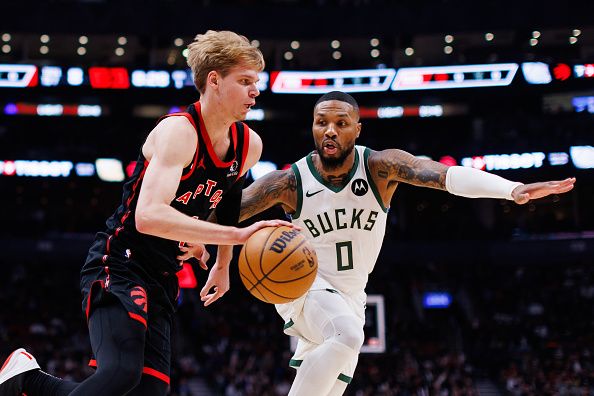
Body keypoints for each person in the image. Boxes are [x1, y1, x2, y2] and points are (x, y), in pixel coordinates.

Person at [0, 30, 292, 396]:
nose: (255, 91)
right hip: (120, 262)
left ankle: (27, 381)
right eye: (245, 81)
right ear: (214, 81)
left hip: (164, 274)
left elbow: (228, 203)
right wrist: (234, 237)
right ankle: (26, 380)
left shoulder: (249, 145)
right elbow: (148, 216)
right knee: (121, 373)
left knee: (149, 391)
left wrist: (220, 261)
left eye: (257, 83)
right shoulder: (178, 133)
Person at [236, 91, 576, 396]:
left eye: (341, 123)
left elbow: (442, 176)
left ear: (357, 129)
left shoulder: (380, 167)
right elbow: (224, 213)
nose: (329, 130)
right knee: (348, 336)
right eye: (321, 122)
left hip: (352, 296)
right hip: (304, 285)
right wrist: (199, 241)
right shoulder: (289, 181)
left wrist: (510, 189)